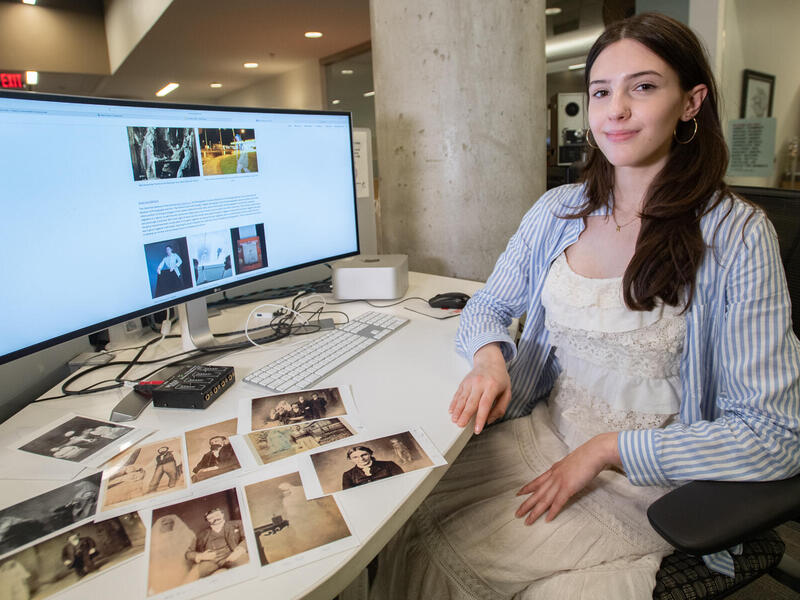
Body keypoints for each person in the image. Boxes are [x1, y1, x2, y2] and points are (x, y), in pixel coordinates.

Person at [371, 12, 800, 600]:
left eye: (643, 87)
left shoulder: (738, 235)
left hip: (650, 477)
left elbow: (774, 434)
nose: (615, 110)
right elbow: (487, 306)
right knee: (396, 521)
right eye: (601, 91)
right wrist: (490, 359)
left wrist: (606, 450)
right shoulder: (557, 210)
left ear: (691, 102)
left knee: (463, 570)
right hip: (542, 432)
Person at [185, 508, 248, 580]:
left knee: (246, 565)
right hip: (211, 562)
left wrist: (239, 550)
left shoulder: (238, 524)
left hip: (232, 556)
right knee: (193, 576)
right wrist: (201, 556)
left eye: (217, 515)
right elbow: (188, 553)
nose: (215, 518)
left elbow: (248, 537)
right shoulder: (202, 535)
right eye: (211, 518)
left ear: (222, 514)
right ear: (207, 520)